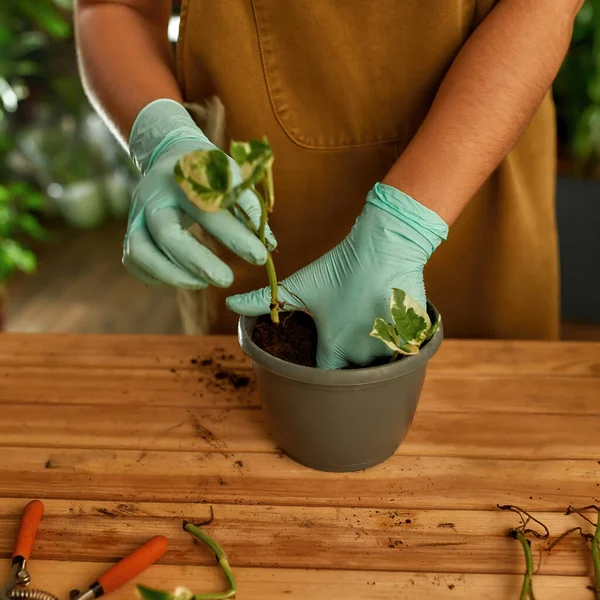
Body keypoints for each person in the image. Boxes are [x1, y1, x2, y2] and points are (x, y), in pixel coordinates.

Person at [75, 0, 583, 369]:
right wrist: (161, 135)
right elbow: (116, 7)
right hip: (252, 199)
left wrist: (405, 227)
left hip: (477, 170)